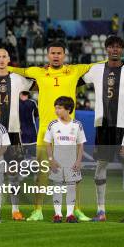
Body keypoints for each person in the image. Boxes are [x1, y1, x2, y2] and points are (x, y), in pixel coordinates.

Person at [0, 40, 124, 221]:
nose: (56, 56)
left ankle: (76, 209)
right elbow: (16, 70)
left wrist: (123, 60)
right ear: (48, 55)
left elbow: (99, 64)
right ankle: (37, 210)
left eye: (59, 53)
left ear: (64, 55)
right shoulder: (38, 72)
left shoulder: (74, 70)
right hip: (45, 130)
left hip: (69, 130)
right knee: (42, 173)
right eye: (53, 53)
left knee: (73, 172)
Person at [82, 36, 124, 221]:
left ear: (122, 49)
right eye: (112, 47)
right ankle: (101, 211)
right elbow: (74, 79)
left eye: (119, 47)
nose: (115, 49)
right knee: (101, 165)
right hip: (103, 126)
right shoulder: (96, 70)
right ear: (106, 49)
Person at [0, 48, 33, 221]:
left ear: (9, 59)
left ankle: (15, 209)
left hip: (13, 131)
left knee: (13, 172)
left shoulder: (17, 79)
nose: (1, 59)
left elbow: (36, 83)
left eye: (4, 57)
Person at [44, 96, 86, 224]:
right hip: (57, 162)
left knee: (71, 187)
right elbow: (47, 143)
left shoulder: (77, 125)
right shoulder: (53, 124)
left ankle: (70, 215)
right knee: (57, 187)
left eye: (59, 108)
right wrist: (51, 160)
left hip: (72, 162)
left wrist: (78, 161)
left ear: (68, 109)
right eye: (55, 108)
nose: (57, 111)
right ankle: (57, 214)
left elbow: (80, 144)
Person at [19, 92, 38, 161]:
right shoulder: (33, 102)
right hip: (27, 132)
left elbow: (37, 115)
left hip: (27, 132)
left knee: (28, 156)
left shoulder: (33, 102)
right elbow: (37, 115)